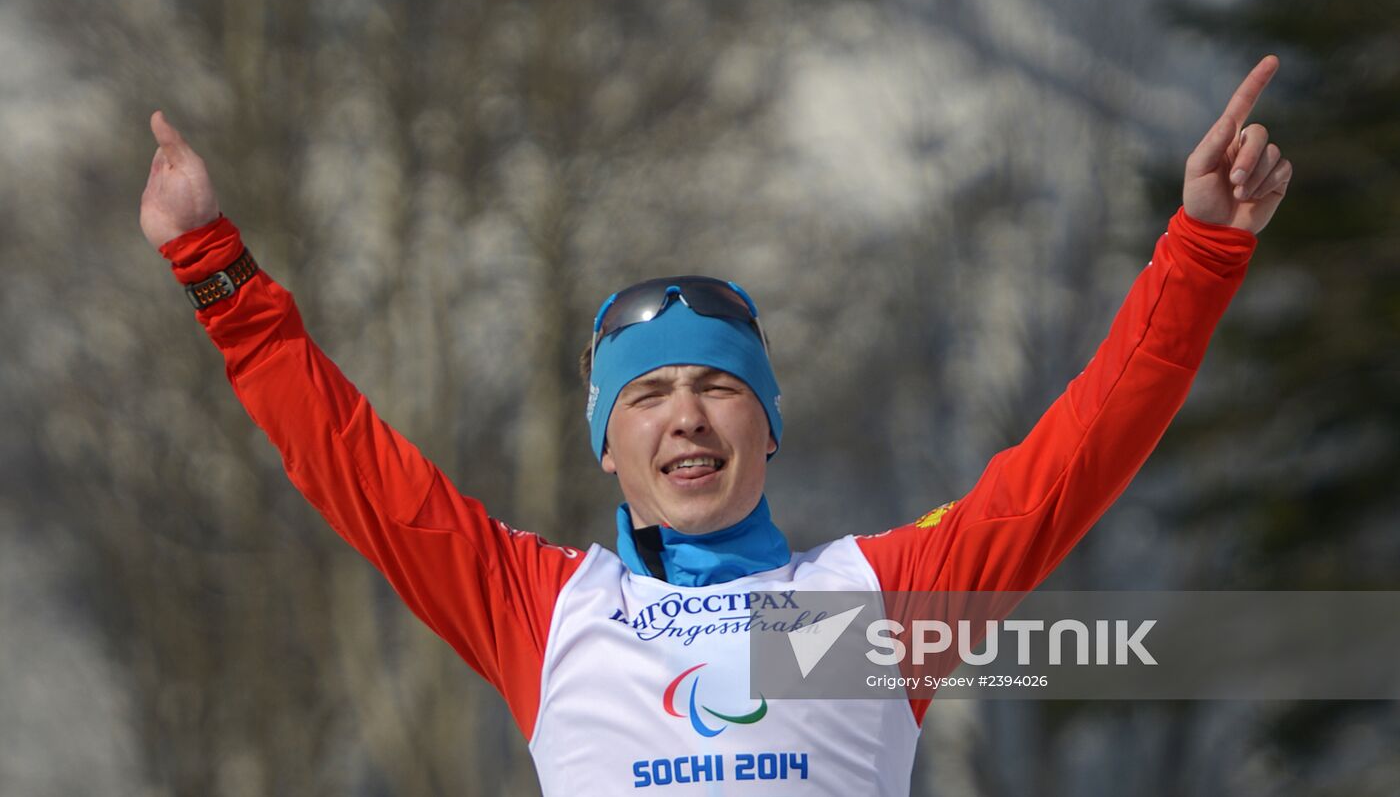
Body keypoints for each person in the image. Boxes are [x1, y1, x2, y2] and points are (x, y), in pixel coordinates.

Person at [141, 56, 1292, 795]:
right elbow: (355, 469)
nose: (684, 415)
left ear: (768, 426)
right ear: (606, 443)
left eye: (717, 386)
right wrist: (211, 265)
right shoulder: (548, 617)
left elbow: (1081, 452)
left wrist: (1199, 249)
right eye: (645, 396)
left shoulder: (862, 613)